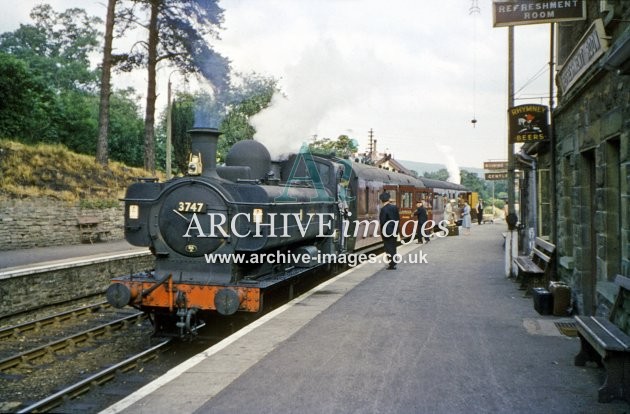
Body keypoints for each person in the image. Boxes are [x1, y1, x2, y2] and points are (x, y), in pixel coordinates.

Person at [379, 192, 400, 269]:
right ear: (388, 199)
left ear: (381, 200)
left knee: (388, 247)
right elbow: (398, 219)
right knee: (393, 247)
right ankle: (394, 262)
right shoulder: (394, 207)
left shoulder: (383, 209)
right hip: (394, 230)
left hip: (387, 231)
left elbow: (382, 221)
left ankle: (391, 264)